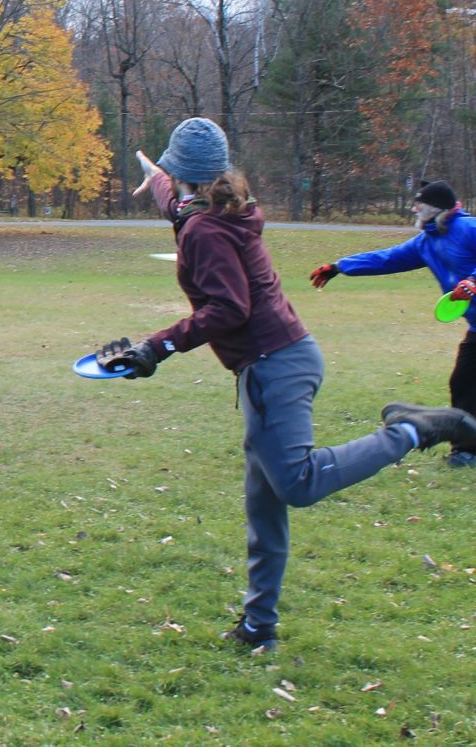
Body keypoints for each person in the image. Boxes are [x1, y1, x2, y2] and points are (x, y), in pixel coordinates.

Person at [94, 116, 476, 654]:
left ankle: (410, 432)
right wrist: (153, 172)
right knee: (264, 503)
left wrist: (158, 346)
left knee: (297, 483)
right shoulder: (226, 208)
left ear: (185, 175)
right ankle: (259, 626)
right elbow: (171, 198)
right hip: (281, 359)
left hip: (274, 365)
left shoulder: (205, 229)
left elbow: (229, 308)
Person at [308, 179, 476, 466]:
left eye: (418, 204)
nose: (413, 208)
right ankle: (467, 450)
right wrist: (340, 267)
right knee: (463, 381)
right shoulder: (426, 242)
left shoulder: (468, 229)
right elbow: (387, 258)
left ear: (434, 208)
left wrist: (473, 280)